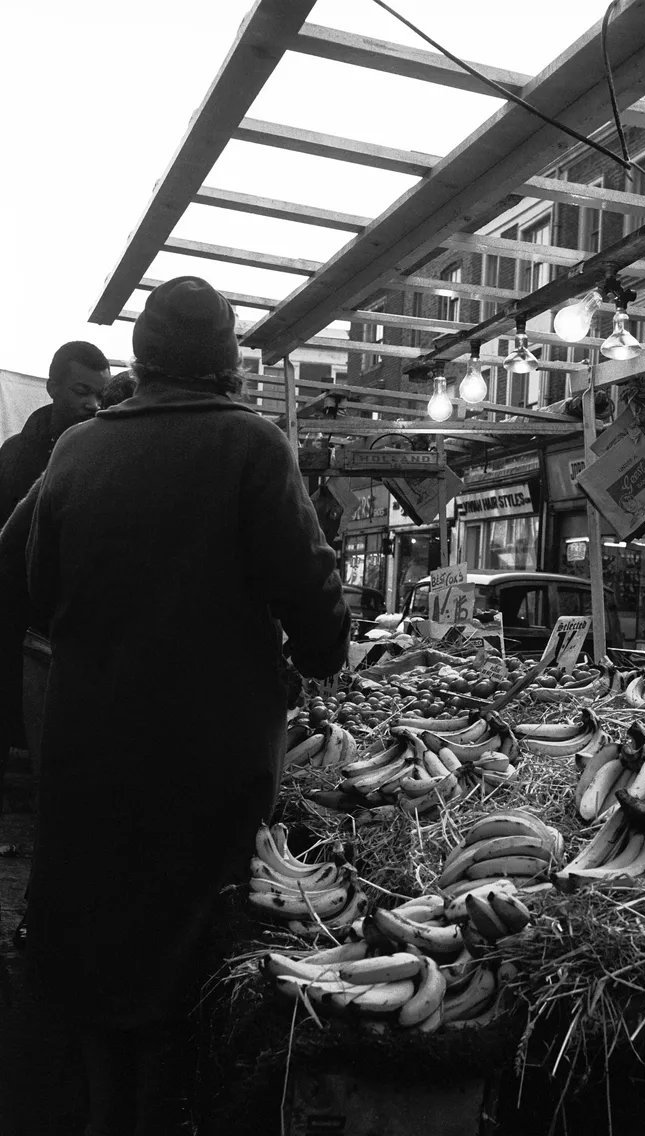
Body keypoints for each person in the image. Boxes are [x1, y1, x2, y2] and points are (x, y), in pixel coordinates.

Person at [23, 276, 351, 1135]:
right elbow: (312, 598)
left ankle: (103, 1111)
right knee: (189, 949)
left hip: (87, 747)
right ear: (227, 359)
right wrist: (317, 658)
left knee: (100, 945)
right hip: (207, 760)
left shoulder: (77, 451)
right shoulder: (251, 446)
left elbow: (21, 580)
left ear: (143, 354)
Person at [0, 371, 138, 944]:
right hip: (62, 652)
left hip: (65, 649)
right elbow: (16, 555)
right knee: (82, 790)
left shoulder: (75, 456)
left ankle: (60, 918)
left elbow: (18, 553)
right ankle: (66, 920)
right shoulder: (62, 459)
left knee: (72, 791)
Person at [0, 340, 110, 526]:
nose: (94, 405)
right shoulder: (13, 452)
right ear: (52, 388)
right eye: (82, 391)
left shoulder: (107, 458)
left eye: (101, 395)